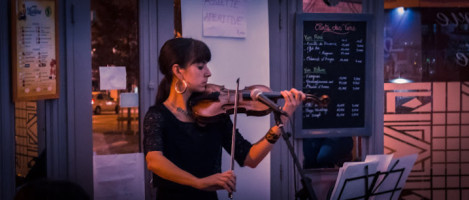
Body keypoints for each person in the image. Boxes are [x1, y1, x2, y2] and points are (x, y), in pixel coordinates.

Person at [143, 37, 305, 199]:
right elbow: (154, 160)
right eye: (200, 66)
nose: (208, 72)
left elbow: (250, 157)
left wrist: (281, 121)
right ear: (178, 71)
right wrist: (198, 182)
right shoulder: (158, 116)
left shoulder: (214, 114)